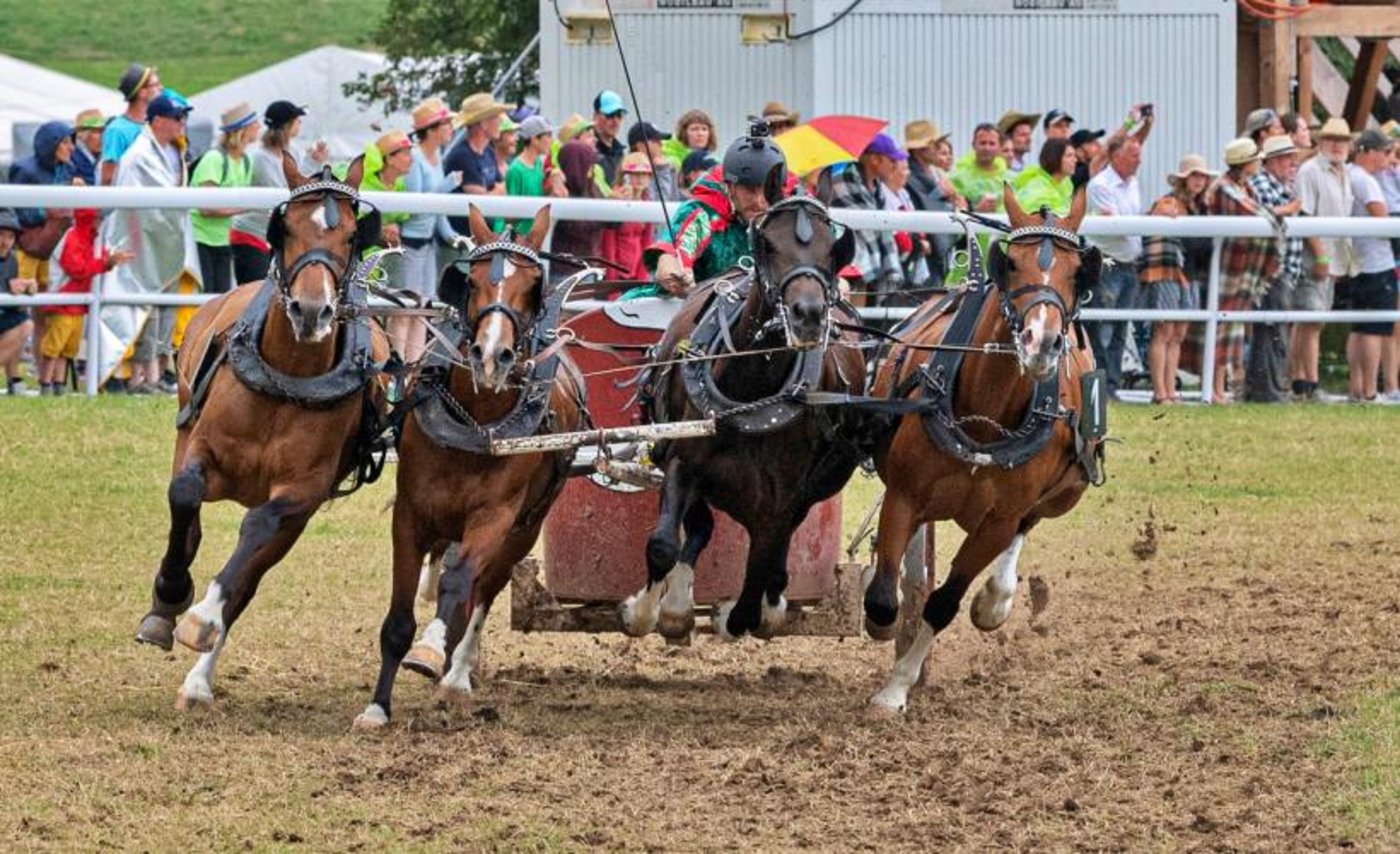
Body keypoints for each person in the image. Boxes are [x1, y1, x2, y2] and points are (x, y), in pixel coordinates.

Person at [96, 91, 202, 394]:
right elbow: (136, 206)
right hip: (140, 244)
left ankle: (155, 374)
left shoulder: (174, 151)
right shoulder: (139, 155)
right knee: (144, 310)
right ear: (157, 120)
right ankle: (138, 376)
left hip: (168, 243)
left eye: (184, 118)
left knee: (166, 310)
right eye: (177, 118)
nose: (182, 124)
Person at [644, 123, 790, 296]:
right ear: (730, 186)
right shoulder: (704, 212)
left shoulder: (791, 215)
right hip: (698, 313)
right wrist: (671, 268)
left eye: (766, 190)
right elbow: (675, 248)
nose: (759, 201)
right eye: (749, 190)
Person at [1205, 138, 1279, 402]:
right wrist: (1284, 210)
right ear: (1246, 162)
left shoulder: (1241, 186)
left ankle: (1220, 388)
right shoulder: (1226, 188)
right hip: (1227, 268)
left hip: (1238, 268)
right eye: (1256, 159)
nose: (1259, 162)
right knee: (1221, 327)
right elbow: (1256, 213)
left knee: (1229, 326)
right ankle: (1213, 389)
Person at [1140, 155, 1216, 404]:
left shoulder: (1200, 208)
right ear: (1184, 180)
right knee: (1163, 331)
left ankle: (1170, 390)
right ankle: (1160, 391)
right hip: (1169, 273)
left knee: (1178, 334)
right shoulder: (1168, 204)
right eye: (1194, 176)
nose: (1199, 181)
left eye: (1202, 177)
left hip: (1189, 275)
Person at [228, 101, 327, 285]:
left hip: (273, 236)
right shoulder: (259, 158)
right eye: (297, 120)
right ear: (287, 125)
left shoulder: (293, 151)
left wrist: (313, 162)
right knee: (254, 294)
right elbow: (287, 192)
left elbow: (297, 186)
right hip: (251, 236)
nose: (300, 124)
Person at [1292, 117, 1355, 401]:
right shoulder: (1310, 171)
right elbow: (1305, 216)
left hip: (1332, 255)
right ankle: (1308, 383)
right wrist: (1320, 256)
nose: (1337, 145)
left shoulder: (1343, 172)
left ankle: (1301, 382)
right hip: (1315, 254)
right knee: (1311, 319)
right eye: (1331, 139)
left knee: (1312, 321)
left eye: (1341, 140)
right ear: (1320, 142)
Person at [9, 120, 76, 385]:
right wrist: (51, 210)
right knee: (16, 311)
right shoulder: (24, 170)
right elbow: (19, 211)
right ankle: (13, 375)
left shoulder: (66, 169)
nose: (71, 148)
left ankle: (40, 374)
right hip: (25, 249)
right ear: (52, 145)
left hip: (50, 251)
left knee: (43, 315)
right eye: (66, 142)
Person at [41, 206, 135, 393]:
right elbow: (77, 269)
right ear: (89, 217)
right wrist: (106, 263)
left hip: (77, 303)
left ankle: (59, 384)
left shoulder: (92, 239)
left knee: (68, 349)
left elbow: (90, 264)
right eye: (98, 217)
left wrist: (109, 261)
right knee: (54, 347)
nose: (100, 222)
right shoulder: (74, 236)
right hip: (62, 301)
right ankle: (45, 383)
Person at [1246, 134, 1308, 403]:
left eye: (1292, 157)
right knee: (1272, 330)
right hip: (1272, 268)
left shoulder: (1283, 184)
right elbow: (1261, 213)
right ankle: (1268, 390)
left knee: (1274, 329)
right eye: (1285, 158)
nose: (1292, 163)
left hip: (1283, 267)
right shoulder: (1261, 183)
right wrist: (1292, 208)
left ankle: (1267, 387)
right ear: (1270, 161)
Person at [400, 99, 463, 363]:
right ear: (434, 128)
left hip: (428, 244)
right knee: (406, 308)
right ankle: (400, 364)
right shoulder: (415, 159)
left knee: (424, 307)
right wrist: (447, 186)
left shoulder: (436, 158)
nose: (451, 128)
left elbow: (435, 209)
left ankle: (412, 365)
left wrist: (451, 236)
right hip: (410, 243)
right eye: (447, 123)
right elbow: (415, 206)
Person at [1338, 130, 1397, 403]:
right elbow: (1383, 221)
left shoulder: (1349, 174)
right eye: (1386, 152)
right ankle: (1372, 391)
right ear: (1369, 152)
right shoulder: (1368, 182)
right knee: (1375, 328)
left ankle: (1357, 388)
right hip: (1375, 263)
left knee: (1359, 328)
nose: (1389, 158)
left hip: (1357, 262)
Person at [1086, 135, 1146, 397]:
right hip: (1107, 262)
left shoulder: (1132, 183)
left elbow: (1123, 223)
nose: (1139, 160)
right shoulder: (1099, 184)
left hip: (1127, 263)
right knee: (1101, 328)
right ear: (1116, 156)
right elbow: (1118, 227)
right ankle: (1100, 385)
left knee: (1120, 329)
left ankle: (1111, 385)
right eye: (1134, 154)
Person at [829, 133, 907, 304]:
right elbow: (870, 228)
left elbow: (878, 227)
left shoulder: (877, 187)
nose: (896, 166)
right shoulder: (843, 180)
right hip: (849, 265)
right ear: (875, 159)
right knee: (853, 322)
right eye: (892, 160)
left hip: (871, 263)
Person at [190, 103, 259, 295]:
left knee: (219, 299)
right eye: (254, 123)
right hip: (199, 239)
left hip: (221, 240)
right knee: (203, 299)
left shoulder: (246, 161)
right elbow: (206, 208)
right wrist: (246, 208)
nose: (259, 127)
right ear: (243, 130)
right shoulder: (214, 159)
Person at [444, 92, 511, 234]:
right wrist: (498, 191)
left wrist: (495, 192)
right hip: (463, 243)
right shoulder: (462, 155)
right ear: (483, 123)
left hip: (481, 239)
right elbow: (482, 204)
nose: (501, 121)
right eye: (496, 117)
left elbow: (501, 189)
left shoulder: (488, 151)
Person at [904, 119, 960, 288]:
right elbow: (922, 204)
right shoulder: (909, 174)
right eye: (934, 144)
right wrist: (949, 203)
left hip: (934, 252)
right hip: (924, 250)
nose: (938, 147)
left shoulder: (934, 172)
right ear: (921, 149)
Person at [550, 140, 606, 282]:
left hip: (587, 269)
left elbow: (613, 223)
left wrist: (621, 202)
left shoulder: (592, 188)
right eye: (589, 164)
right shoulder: (560, 193)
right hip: (563, 272)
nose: (592, 169)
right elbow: (578, 229)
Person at [100, 63, 162, 186]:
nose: (161, 87)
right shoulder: (117, 131)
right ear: (142, 92)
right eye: (155, 84)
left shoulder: (155, 125)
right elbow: (108, 178)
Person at [600, 152, 656, 281]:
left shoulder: (648, 204)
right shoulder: (615, 201)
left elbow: (646, 244)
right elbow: (608, 245)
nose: (640, 178)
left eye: (644, 174)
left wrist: (641, 279)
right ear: (624, 176)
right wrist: (612, 283)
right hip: (614, 273)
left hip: (635, 272)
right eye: (635, 174)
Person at [0, 209, 38, 396]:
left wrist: (27, 289)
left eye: (10, 237)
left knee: (23, 322)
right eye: (1, 235)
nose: (4, 242)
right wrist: (8, 289)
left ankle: (13, 378)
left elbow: (12, 298)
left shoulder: (12, 260)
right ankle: (13, 378)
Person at [505, 115, 563, 232]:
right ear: (534, 139)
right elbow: (509, 217)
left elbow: (537, 195)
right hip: (516, 241)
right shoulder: (515, 170)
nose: (551, 140)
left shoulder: (538, 164)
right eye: (548, 136)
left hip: (533, 239)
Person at [357, 130, 413, 248]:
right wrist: (380, 230)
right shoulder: (365, 187)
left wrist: (395, 227)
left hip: (386, 252)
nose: (411, 160)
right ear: (389, 159)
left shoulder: (400, 184)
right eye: (406, 154)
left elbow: (400, 219)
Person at [951, 123, 1008, 214]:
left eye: (992, 143)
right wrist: (976, 210)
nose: (987, 148)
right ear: (973, 145)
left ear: (999, 147)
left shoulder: (1012, 179)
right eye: (982, 143)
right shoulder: (958, 178)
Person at [1013, 138, 1077, 215]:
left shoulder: (1065, 184)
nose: (1075, 160)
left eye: (1074, 155)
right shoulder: (1037, 187)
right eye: (1069, 156)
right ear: (1054, 157)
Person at [627, 121, 680, 201]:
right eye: (656, 141)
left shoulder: (667, 169)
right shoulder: (629, 172)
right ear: (641, 146)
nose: (661, 144)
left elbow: (674, 202)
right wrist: (662, 171)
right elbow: (658, 206)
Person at [591, 89, 629, 187]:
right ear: (595, 116)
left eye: (619, 116)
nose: (615, 121)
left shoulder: (620, 152)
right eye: (610, 115)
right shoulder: (588, 149)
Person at [996, 110, 1040, 174]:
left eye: (1029, 134)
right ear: (1009, 137)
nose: (1029, 139)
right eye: (1023, 135)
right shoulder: (999, 169)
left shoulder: (1027, 168)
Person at [71, 110, 105, 185]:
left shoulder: (101, 157)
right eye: (97, 132)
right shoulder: (71, 160)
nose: (102, 136)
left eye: (103, 131)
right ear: (82, 134)